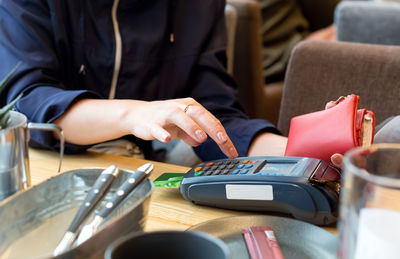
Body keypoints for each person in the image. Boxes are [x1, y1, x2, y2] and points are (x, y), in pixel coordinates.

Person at [0, 0, 290, 165]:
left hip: (140, 169)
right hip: (41, 165)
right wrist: (136, 114)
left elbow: (214, 116)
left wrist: (299, 152)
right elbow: (26, 102)